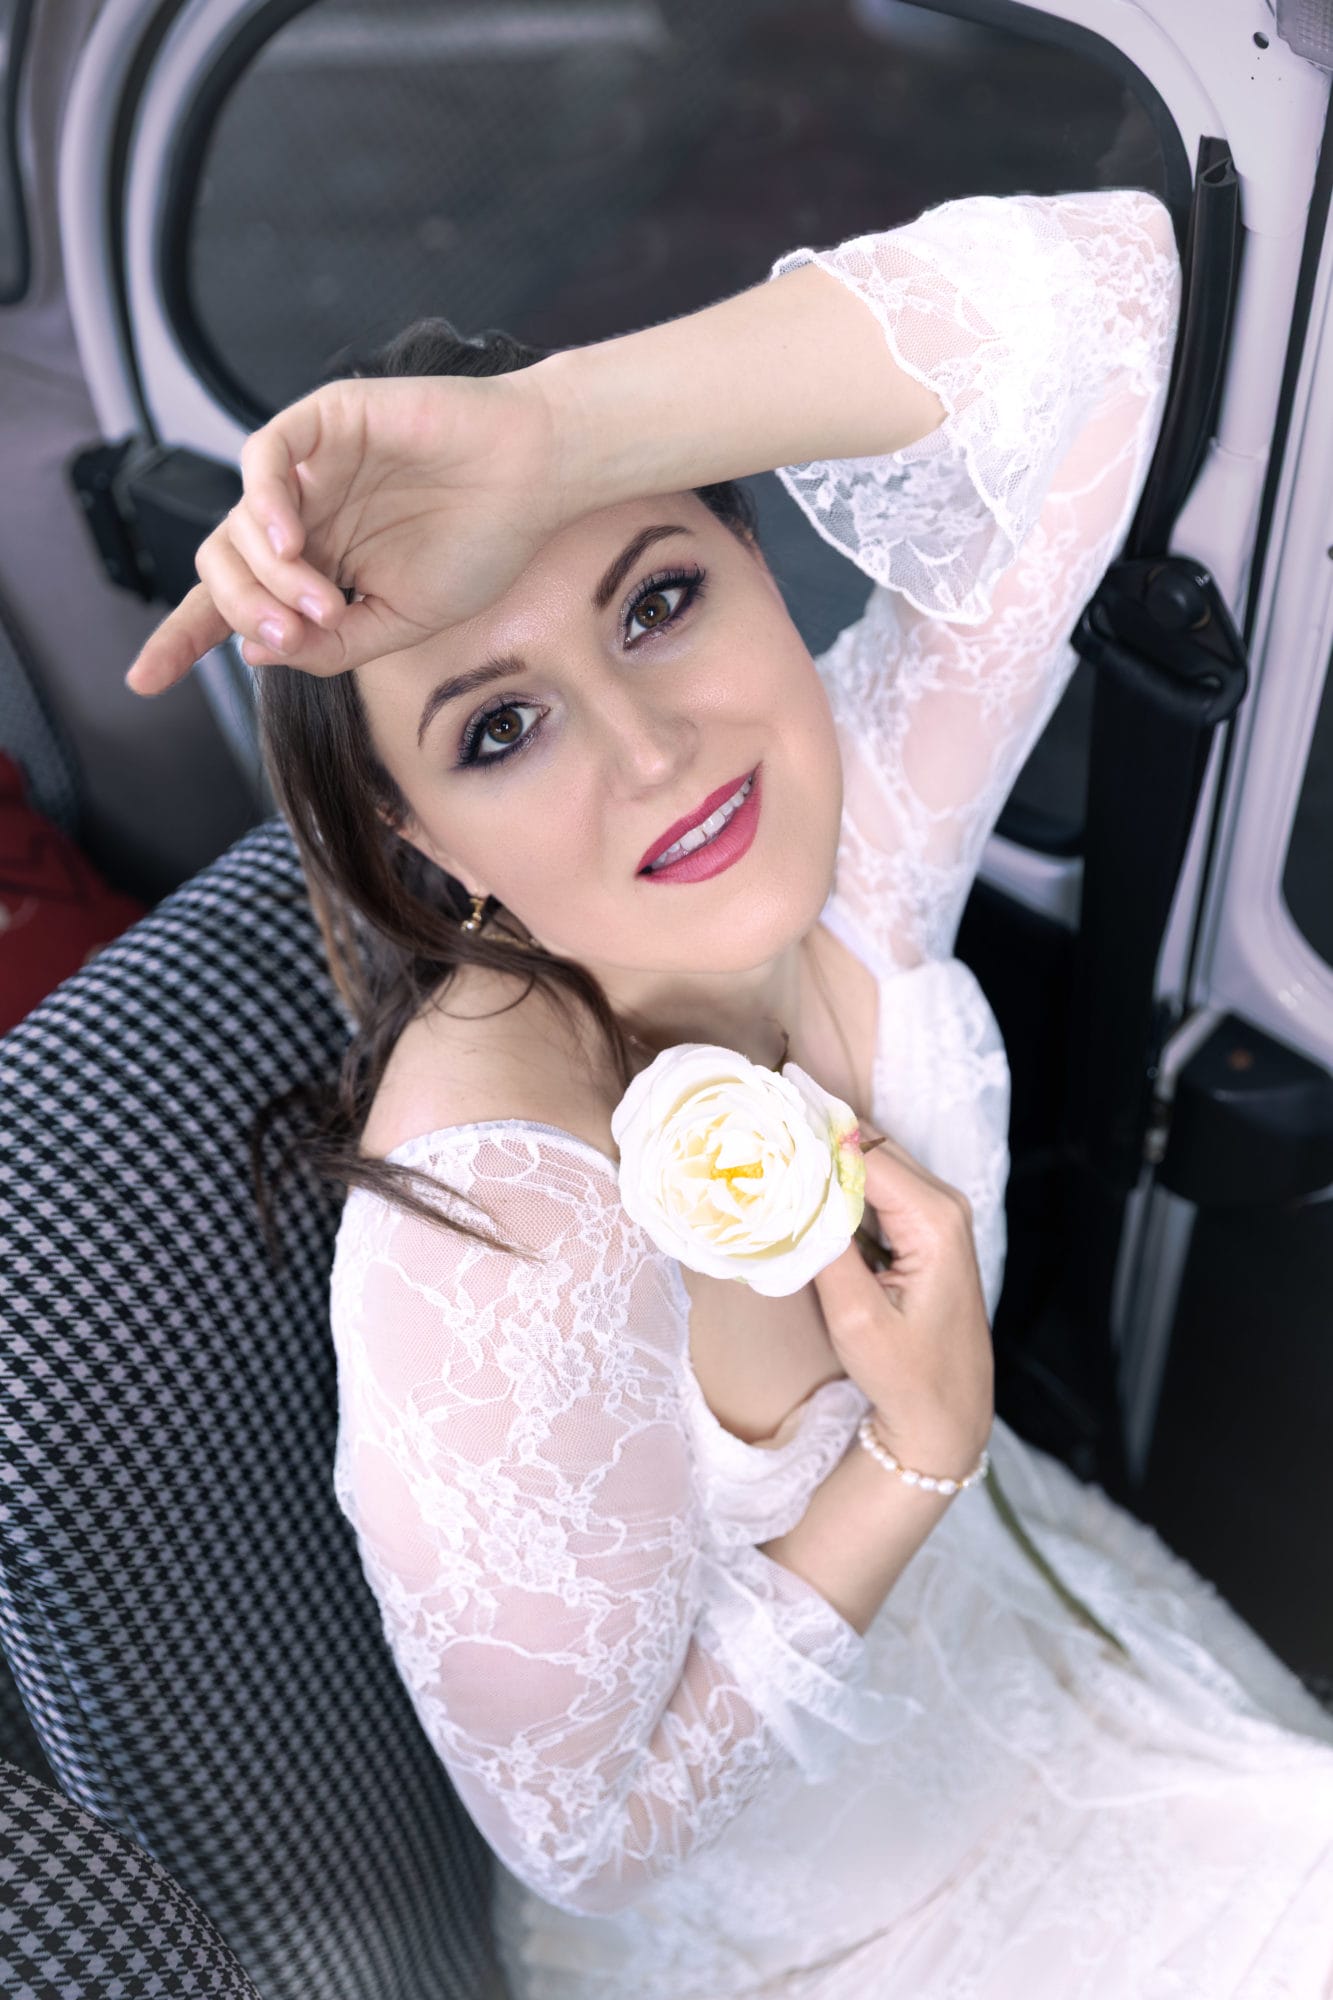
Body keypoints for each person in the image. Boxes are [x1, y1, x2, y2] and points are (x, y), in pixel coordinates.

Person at [128, 187, 1333, 1997]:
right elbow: (584, 1839)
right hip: (836, 1935)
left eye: (658, 600)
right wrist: (915, 1451)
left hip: (1047, 1648)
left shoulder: (847, 848)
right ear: (423, 844)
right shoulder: (499, 1224)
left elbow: (1113, 298)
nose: (652, 749)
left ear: (762, 572)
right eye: (498, 728)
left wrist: (559, 433)